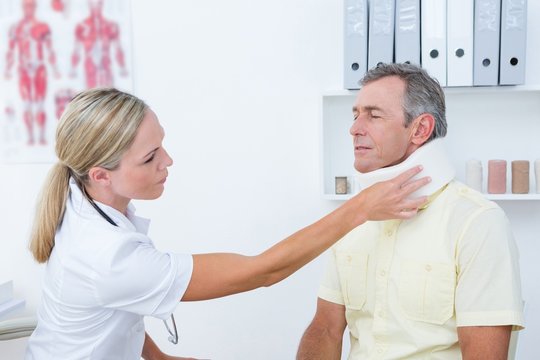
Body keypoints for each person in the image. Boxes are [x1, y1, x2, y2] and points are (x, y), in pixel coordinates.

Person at [25, 87, 430, 359]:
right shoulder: (107, 257)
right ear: (101, 174)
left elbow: (118, 306)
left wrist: (160, 357)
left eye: (161, 144)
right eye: (150, 158)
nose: (167, 161)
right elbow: (264, 270)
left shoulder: (86, 200)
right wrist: (359, 208)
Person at [297, 63, 524, 360]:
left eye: (373, 115)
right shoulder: (354, 218)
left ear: (420, 129)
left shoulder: (477, 222)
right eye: (355, 115)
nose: (354, 129)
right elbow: (325, 329)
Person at [4, 0, 60, 145]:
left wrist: (55, 69)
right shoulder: (16, 28)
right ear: (23, 8)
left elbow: (49, 48)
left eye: (31, 6)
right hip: (23, 70)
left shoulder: (42, 27)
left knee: (40, 104)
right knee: (27, 104)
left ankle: (41, 136)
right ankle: (30, 137)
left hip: (39, 69)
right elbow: (11, 50)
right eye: (26, 6)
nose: (28, 9)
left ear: (35, 7)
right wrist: (7, 70)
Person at [70, 0, 128, 88]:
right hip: (90, 65)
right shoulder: (82, 26)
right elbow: (76, 49)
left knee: (108, 93)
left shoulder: (111, 25)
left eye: (98, 4)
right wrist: (73, 68)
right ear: (88, 4)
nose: (95, 7)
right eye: (92, 4)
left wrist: (122, 67)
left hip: (106, 64)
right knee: (91, 93)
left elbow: (118, 48)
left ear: (102, 4)